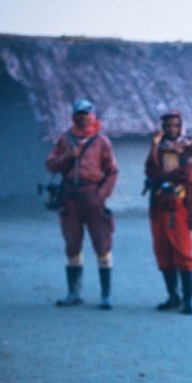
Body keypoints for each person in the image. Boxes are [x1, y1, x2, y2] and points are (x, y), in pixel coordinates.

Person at [45, 99, 118, 310]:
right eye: (78, 113)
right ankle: (73, 292)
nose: (82, 117)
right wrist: (69, 156)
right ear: (73, 116)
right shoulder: (64, 140)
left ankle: (106, 295)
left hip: (93, 195)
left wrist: (102, 195)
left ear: (93, 115)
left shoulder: (102, 141)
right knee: (72, 244)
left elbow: (112, 171)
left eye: (86, 113)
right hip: (70, 197)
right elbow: (50, 165)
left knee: (102, 243)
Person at [145, 111, 192, 314]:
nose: (171, 129)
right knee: (162, 251)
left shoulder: (191, 148)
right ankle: (173, 296)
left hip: (180, 206)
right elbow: (150, 170)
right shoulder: (158, 148)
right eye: (168, 126)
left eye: (175, 125)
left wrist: (163, 176)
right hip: (159, 205)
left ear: (181, 126)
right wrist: (155, 147)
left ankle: (188, 300)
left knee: (183, 251)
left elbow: (189, 174)